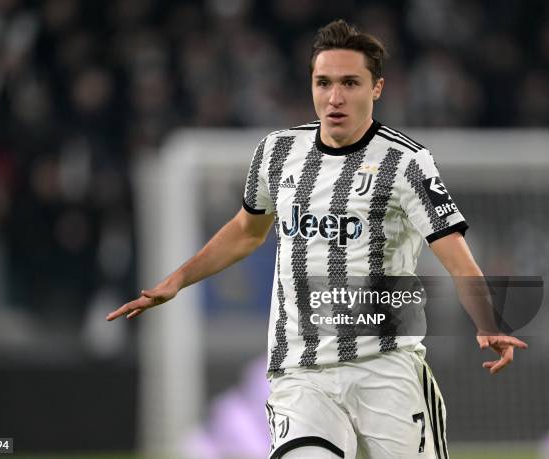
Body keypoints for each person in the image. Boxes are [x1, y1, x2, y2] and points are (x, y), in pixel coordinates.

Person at [106, 20, 528, 459]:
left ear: (377, 88)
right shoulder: (277, 152)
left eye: (350, 83)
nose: (335, 97)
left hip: (386, 369)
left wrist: (487, 319)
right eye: (323, 82)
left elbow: (455, 255)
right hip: (301, 372)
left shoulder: (407, 163)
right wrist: (177, 280)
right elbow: (247, 231)